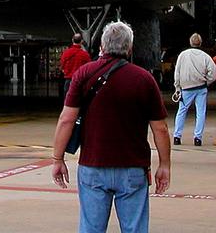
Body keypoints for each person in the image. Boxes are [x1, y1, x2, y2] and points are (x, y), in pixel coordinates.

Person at [51, 20, 172, 233]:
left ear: (102, 46)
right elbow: (160, 128)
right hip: (133, 168)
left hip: (93, 165)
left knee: (91, 228)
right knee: (135, 228)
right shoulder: (144, 79)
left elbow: (66, 120)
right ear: (130, 48)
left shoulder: (83, 74)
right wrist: (164, 164)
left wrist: (58, 158)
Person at [172, 33, 216, 146]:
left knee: (182, 111)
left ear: (190, 42)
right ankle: (197, 138)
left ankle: (177, 136)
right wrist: (207, 82)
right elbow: (212, 72)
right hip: (201, 87)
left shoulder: (183, 55)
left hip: (186, 88)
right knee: (200, 112)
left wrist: (177, 87)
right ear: (200, 43)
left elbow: (177, 72)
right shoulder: (206, 56)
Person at [59, 32, 93, 99]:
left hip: (69, 81)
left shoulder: (66, 53)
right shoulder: (85, 55)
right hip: (80, 82)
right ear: (81, 41)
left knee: (67, 101)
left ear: (72, 40)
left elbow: (62, 67)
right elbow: (89, 69)